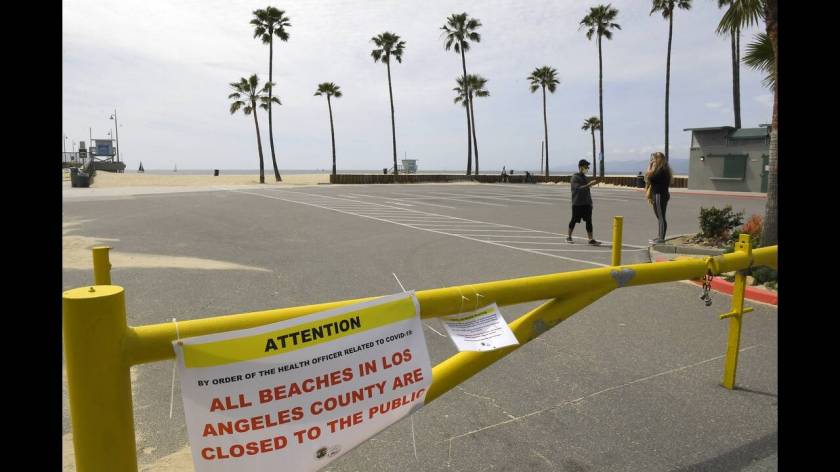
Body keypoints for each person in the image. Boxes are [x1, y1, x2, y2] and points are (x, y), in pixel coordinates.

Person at [567, 159, 601, 245]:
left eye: (588, 167)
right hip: (577, 203)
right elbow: (578, 189)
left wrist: (590, 202)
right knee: (574, 220)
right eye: (586, 167)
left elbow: (587, 191)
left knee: (589, 221)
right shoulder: (575, 177)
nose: (587, 168)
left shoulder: (585, 177)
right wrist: (589, 185)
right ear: (580, 167)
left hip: (586, 203)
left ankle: (591, 239)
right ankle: (569, 236)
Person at [645, 151, 672, 244]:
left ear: (658, 159)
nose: (652, 161)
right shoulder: (661, 170)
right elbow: (648, 177)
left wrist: (650, 165)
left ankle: (661, 238)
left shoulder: (661, 170)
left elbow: (648, 176)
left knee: (661, 217)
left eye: (654, 159)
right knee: (660, 217)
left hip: (659, 195)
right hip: (658, 194)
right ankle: (659, 237)